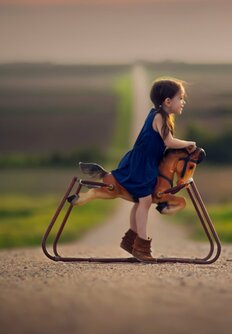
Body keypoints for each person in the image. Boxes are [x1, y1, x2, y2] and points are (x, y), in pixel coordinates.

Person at [68, 77, 196, 262]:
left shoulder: (162, 115)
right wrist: (189, 143)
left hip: (147, 163)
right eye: (181, 98)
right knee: (144, 201)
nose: (183, 102)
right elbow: (168, 142)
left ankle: (131, 241)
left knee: (139, 201)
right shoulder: (160, 117)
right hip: (142, 164)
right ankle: (142, 247)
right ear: (168, 101)